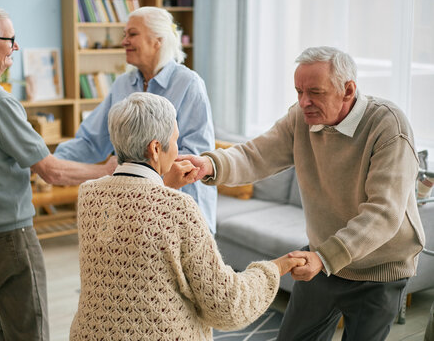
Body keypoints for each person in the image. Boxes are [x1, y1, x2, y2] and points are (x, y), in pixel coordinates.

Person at [179, 46, 426, 341]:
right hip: (323, 257)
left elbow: (383, 213)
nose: (303, 102)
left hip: (379, 267)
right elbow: (255, 155)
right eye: (298, 91)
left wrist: (324, 257)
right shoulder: (301, 117)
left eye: (315, 92)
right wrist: (210, 164)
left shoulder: (387, 126)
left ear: (348, 90)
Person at [0, 4, 116, 341]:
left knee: (9, 325)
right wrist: (105, 170)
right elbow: (50, 171)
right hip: (6, 238)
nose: (16, 47)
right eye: (10, 39)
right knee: (29, 332)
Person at [69, 92, 305, 340]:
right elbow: (226, 304)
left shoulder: (89, 195)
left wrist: (164, 188)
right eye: (175, 140)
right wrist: (275, 267)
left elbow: (132, 240)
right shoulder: (179, 208)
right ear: (155, 148)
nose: (177, 150)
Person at [54, 6, 218, 233]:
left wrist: (133, 172)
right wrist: (52, 161)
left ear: (157, 41)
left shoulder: (189, 83)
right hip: (133, 204)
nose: (124, 41)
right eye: (124, 35)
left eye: (132, 34)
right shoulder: (122, 84)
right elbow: (92, 140)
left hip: (181, 207)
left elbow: (193, 157)